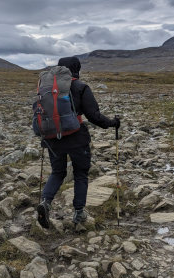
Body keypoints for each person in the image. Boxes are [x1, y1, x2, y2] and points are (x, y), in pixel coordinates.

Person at [37, 56, 120, 229]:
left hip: (53, 138)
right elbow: (94, 116)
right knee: (81, 174)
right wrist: (112, 123)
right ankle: (79, 212)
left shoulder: (48, 88)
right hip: (77, 137)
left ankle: (45, 202)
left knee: (58, 173)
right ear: (76, 69)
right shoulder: (81, 87)